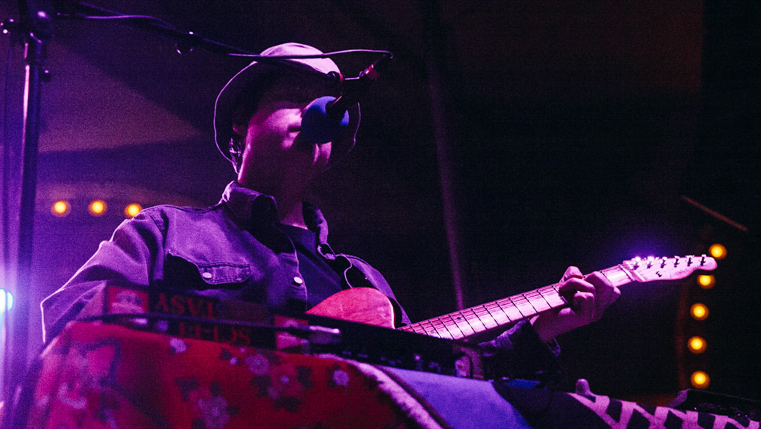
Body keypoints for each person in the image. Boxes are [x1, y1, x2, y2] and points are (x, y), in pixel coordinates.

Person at [41, 43, 621, 378]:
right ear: (242, 127)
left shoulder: (363, 280)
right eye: (292, 99)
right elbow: (76, 317)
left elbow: (440, 380)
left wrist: (543, 330)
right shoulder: (163, 232)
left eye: (327, 112)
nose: (315, 114)